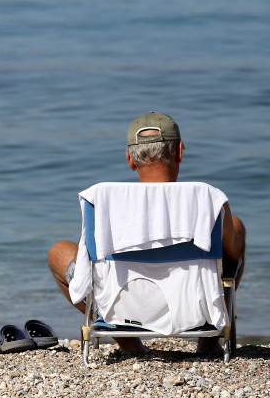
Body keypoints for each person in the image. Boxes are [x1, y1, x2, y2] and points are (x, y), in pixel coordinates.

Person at [47, 112, 247, 354]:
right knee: (235, 226)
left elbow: (82, 264)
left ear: (130, 160)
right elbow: (234, 256)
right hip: (194, 311)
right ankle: (209, 341)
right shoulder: (208, 198)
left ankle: (130, 345)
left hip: (120, 312)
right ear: (180, 152)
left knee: (59, 251)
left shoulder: (104, 200)